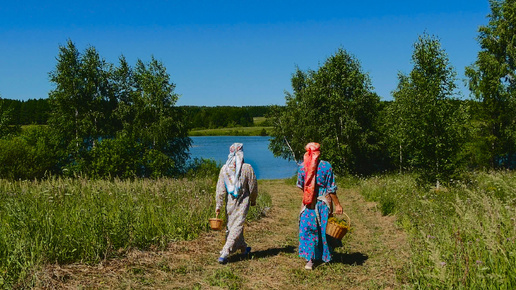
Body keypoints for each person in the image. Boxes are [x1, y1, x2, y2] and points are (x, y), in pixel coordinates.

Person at [296, 142, 343, 270]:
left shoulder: (302, 167)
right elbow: (331, 189)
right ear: (319, 152)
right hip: (323, 202)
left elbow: (301, 186)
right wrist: (337, 205)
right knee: (322, 230)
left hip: (308, 204)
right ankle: (325, 255)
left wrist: (306, 199)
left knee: (308, 229)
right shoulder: (326, 166)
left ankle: (310, 259)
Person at [215, 143, 258, 264]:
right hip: (243, 203)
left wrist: (218, 205)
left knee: (233, 226)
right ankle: (225, 252)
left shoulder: (225, 169)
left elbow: (220, 189)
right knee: (236, 226)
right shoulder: (247, 168)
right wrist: (253, 199)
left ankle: (243, 247)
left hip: (230, 203)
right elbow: (253, 186)